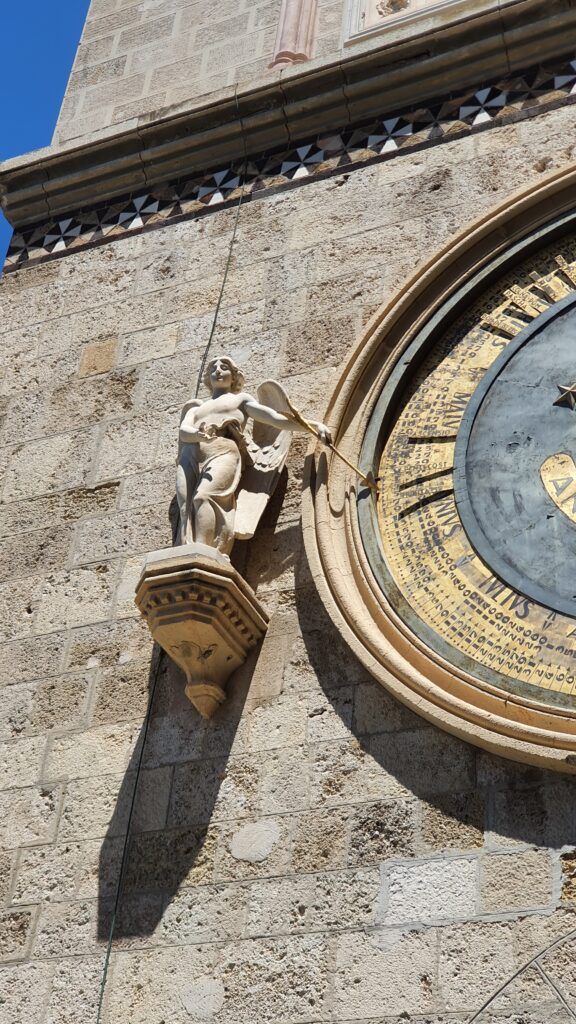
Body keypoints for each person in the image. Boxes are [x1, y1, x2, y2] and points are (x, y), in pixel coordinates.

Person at [176, 356, 332, 554]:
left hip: (223, 452)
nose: (217, 370)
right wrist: (199, 435)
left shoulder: (240, 400)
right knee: (185, 508)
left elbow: (275, 419)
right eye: (212, 367)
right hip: (191, 455)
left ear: (234, 376)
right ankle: (188, 550)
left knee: (204, 497)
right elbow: (183, 431)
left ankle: (204, 552)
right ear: (207, 377)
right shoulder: (196, 409)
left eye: (224, 367)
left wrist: (313, 427)